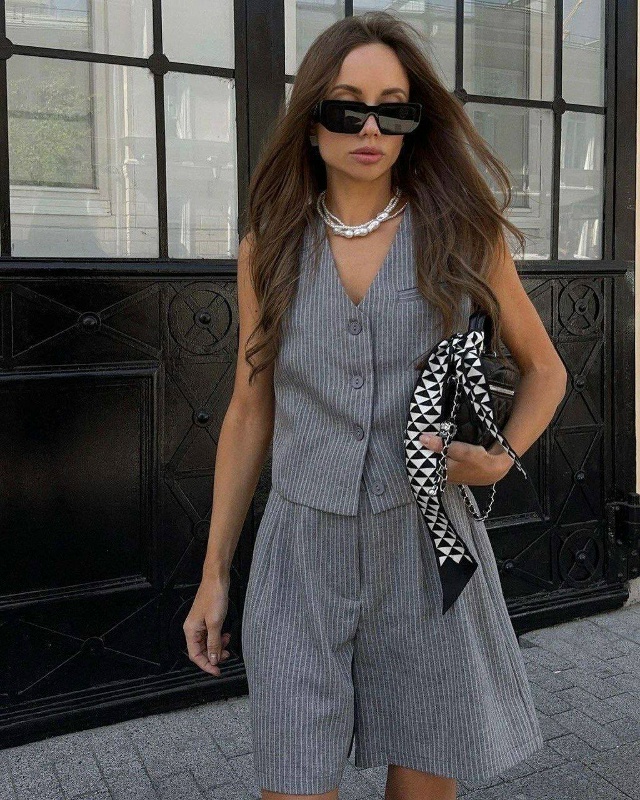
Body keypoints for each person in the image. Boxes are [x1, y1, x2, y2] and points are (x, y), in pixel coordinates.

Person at [183, 11, 567, 800]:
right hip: (300, 557)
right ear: (310, 122)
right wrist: (214, 574)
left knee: (423, 780)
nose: (369, 128)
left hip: (426, 553)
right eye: (346, 107)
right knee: (294, 777)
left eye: (393, 110)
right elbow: (250, 411)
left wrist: (502, 457)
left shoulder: (464, 237)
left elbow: (545, 370)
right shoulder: (268, 249)